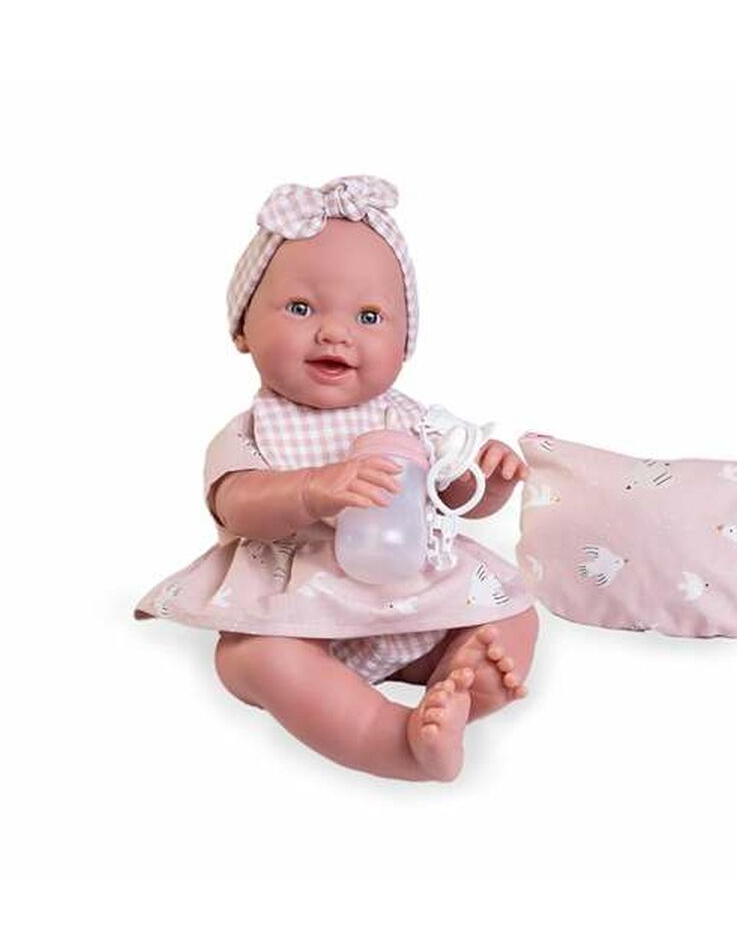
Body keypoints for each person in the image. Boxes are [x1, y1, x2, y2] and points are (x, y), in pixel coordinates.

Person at [135, 176, 539, 780]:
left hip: (407, 596)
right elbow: (235, 503)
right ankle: (395, 742)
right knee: (253, 659)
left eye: (369, 316)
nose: (335, 332)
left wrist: (488, 479)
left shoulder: (415, 422)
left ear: (404, 345)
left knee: (514, 612)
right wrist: (312, 489)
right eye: (301, 309)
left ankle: (460, 678)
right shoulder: (253, 430)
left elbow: (452, 496)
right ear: (243, 329)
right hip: (289, 610)